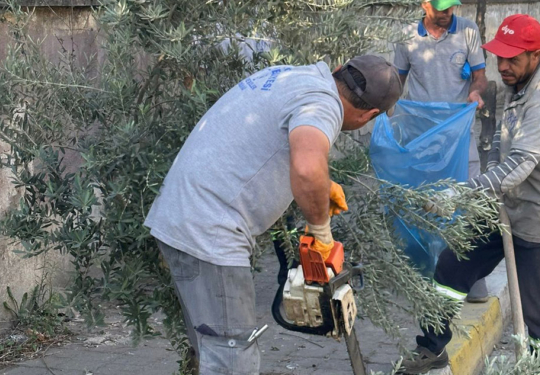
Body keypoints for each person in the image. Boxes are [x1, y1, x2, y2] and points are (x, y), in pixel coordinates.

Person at [144, 55, 402, 374]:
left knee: (212, 347)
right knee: (232, 356)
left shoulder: (291, 76)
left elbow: (266, 146)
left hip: (183, 216)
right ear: (369, 116)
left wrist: (324, 182)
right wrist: (321, 232)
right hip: (211, 231)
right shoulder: (323, 104)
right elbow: (306, 169)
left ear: (339, 71)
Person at [400, 14, 540, 375]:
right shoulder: (517, 86)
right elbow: (503, 140)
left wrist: (462, 193)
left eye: (513, 58)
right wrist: (489, 166)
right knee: (452, 266)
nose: (504, 66)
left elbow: (520, 165)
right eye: (500, 57)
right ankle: (433, 347)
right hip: (506, 208)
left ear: (535, 55)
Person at [393, 0, 491, 303]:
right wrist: (387, 116)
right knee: (426, 203)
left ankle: (473, 279)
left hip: (459, 136)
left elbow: (480, 76)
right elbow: (397, 81)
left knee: (466, 201)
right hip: (422, 138)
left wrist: (476, 91)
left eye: (451, 7)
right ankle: (428, 275)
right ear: (425, 5)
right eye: (441, 9)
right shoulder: (407, 36)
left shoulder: (468, 31)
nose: (448, 14)